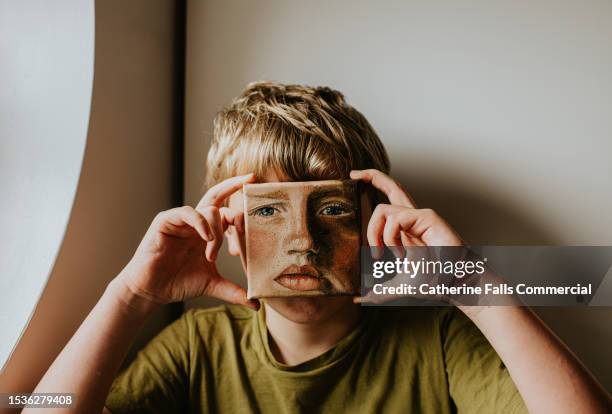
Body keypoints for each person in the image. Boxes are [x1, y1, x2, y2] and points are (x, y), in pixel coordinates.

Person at [27, 82, 611, 413]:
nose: (304, 242)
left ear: (376, 225)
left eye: (332, 209)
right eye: (269, 212)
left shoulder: (435, 341)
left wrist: (477, 292)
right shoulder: (196, 349)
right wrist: (130, 294)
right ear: (228, 228)